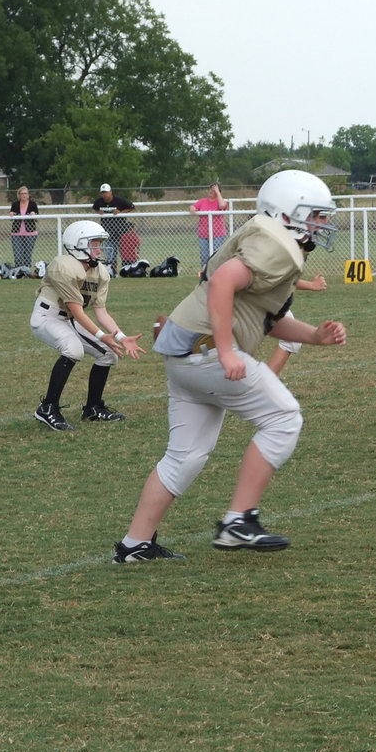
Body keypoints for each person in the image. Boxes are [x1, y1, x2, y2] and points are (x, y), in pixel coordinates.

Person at [112, 170, 344, 561]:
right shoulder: (276, 245)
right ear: (286, 213)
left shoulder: (269, 239)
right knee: (284, 417)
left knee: (184, 457)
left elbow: (261, 317)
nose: (322, 224)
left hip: (185, 353)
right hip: (207, 352)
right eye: (316, 215)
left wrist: (315, 336)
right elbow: (222, 282)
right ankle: (238, 521)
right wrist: (226, 351)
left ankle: (135, 545)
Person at [30, 219, 146, 431]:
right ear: (77, 245)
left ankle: (93, 408)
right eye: (94, 243)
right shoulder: (64, 266)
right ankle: (48, 407)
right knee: (73, 349)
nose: (99, 249)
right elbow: (77, 310)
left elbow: (100, 312)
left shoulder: (99, 272)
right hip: (48, 316)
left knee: (109, 355)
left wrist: (120, 337)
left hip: (70, 319)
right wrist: (103, 337)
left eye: (99, 244)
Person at [266, 275, 328, 376]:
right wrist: (312, 285)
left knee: (291, 339)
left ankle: (264, 385)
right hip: (255, 299)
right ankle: (263, 386)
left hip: (259, 297)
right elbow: (279, 279)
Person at [91, 183, 135, 272]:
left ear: (111, 192)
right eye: (103, 193)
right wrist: (99, 212)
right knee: (110, 255)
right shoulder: (99, 202)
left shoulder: (119, 200)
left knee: (125, 254)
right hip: (107, 232)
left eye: (106, 192)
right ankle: (113, 272)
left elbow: (132, 207)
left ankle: (126, 271)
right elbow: (95, 207)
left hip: (121, 231)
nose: (104, 195)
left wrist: (120, 213)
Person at [190, 181, 229, 273]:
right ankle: (205, 273)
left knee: (217, 255)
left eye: (214, 189)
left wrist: (218, 192)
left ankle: (217, 273)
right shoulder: (203, 201)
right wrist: (192, 209)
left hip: (218, 234)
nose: (211, 191)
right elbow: (193, 207)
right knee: (204, 256)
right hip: (203, 234)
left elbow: (222, 206)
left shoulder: (220, 201)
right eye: (210, 189)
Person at [9, 186, 39, 270]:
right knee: (17, 255)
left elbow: (37, 219)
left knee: (27, 254)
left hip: (30, 233)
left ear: (28, 195)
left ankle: (27, 271)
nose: (24, 195)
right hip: (16, 233)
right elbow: (11, 216)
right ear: (19, 195)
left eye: (25, 193)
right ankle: (18, 272)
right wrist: (11, 214)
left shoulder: (32, 204)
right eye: (22, 193)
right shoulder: (15, 204)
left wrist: (33, 215)